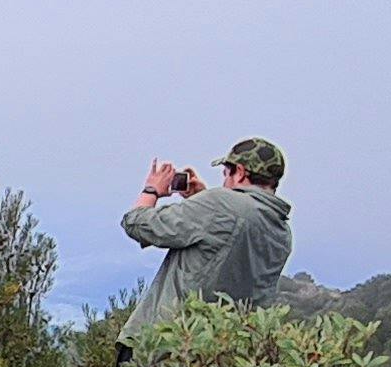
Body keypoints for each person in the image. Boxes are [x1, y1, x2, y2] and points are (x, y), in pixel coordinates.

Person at [115, 136, 293, 352]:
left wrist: (152, 190)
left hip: (162, 345)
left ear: (240, 171)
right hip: (216, 357)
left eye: (225, 174)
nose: (224, 182)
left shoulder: (221, 203)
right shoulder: (281, 231)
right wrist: (200, 198)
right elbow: (225, 243)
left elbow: (138, 223)